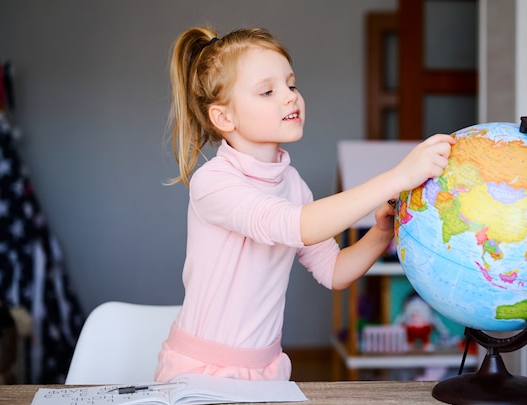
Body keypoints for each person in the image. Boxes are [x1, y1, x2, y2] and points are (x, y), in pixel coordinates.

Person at [155, 26, 454, 382]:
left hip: (266, 368)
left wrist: (380, 233)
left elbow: (334, 271)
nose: (290, 97)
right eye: (267, 91)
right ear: (224, 118)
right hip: (200, 372)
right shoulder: (213, 182)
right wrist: (398, 176)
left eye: (291, 85)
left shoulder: (292, 183)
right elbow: (296, 225)